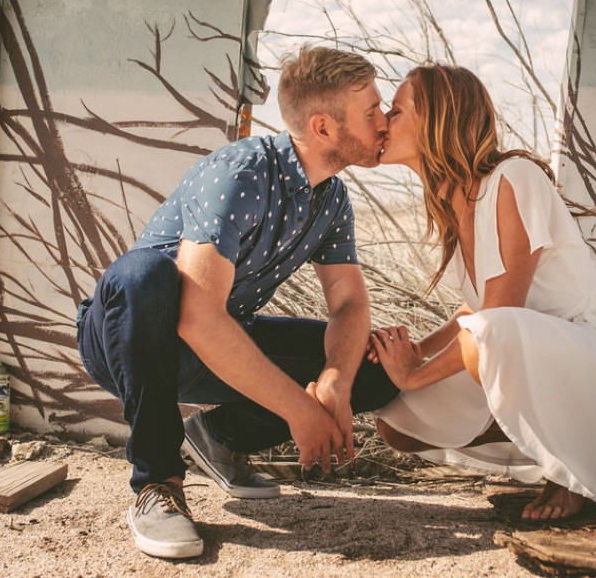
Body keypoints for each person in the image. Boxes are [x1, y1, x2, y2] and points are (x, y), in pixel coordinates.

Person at [76, 46, 399, 559]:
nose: (386, 121)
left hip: (211, 347)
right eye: (372, 111)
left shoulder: (331, 198)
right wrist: (299, 410)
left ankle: (220, 436)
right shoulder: (241, 173)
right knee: (146, 275)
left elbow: (348, 303)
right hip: (129, 338)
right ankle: (157, 486)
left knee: (376, 366)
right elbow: (197, 315)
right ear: (323, 128)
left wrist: (336, 381)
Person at [368, 64, 596, 522]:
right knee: (398, 424)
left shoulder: (513, 177)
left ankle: (572, 470)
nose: (382, 121)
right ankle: (543, 444)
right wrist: (418, 351)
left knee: (487, 337)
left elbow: (497, 316)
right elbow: (476, 306)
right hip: (535, 350)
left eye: (395, 111)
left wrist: (415, 374)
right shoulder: (451, 199)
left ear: (438, 120)